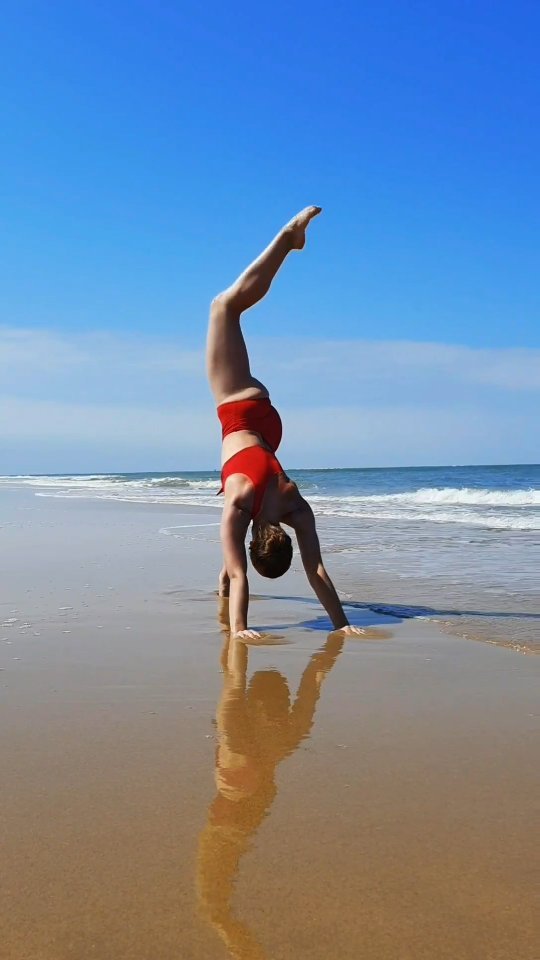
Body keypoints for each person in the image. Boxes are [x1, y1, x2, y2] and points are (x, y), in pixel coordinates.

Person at [207, 206, 364, 641]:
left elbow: (315, 570)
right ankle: (288, 240)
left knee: (226, 566)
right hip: (239, 410)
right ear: (254, 541)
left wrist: (343, 625)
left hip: (270, 431)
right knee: (224, 307)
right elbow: (242, 575)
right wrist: (239, 630)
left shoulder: (294, 507)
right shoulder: (238, 502)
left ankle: (218, 602)